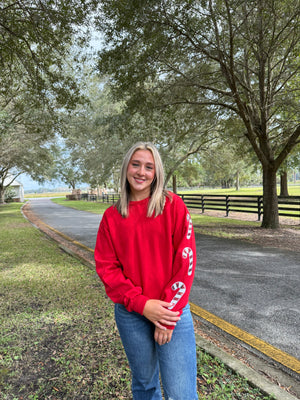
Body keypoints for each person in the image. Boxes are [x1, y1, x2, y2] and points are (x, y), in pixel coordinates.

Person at [94, 142, 198, 400]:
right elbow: (107, 268)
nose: (141, 172)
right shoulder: (112, 216)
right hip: (132, 314)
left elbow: (185, 262)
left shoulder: (173, 206)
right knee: (144, 386)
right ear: (126, 168)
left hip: (172, 311)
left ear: (156, 172)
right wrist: (142, 304)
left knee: (181, 393)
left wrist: (166, 314)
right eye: (136, 164)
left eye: (149, 167)